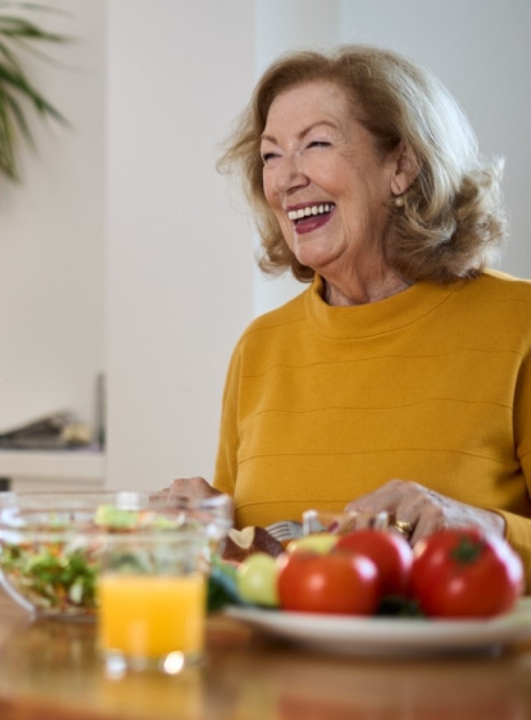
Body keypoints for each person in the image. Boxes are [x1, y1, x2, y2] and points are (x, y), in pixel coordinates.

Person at [166, 45, 531, 572]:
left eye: (315, 143)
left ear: (401, 165)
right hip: (273, 657)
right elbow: (246, 564)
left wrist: (484, 527)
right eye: (271, 155)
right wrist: (203, 524)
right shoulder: (261, 347)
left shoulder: (517, 323)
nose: (286, 178)